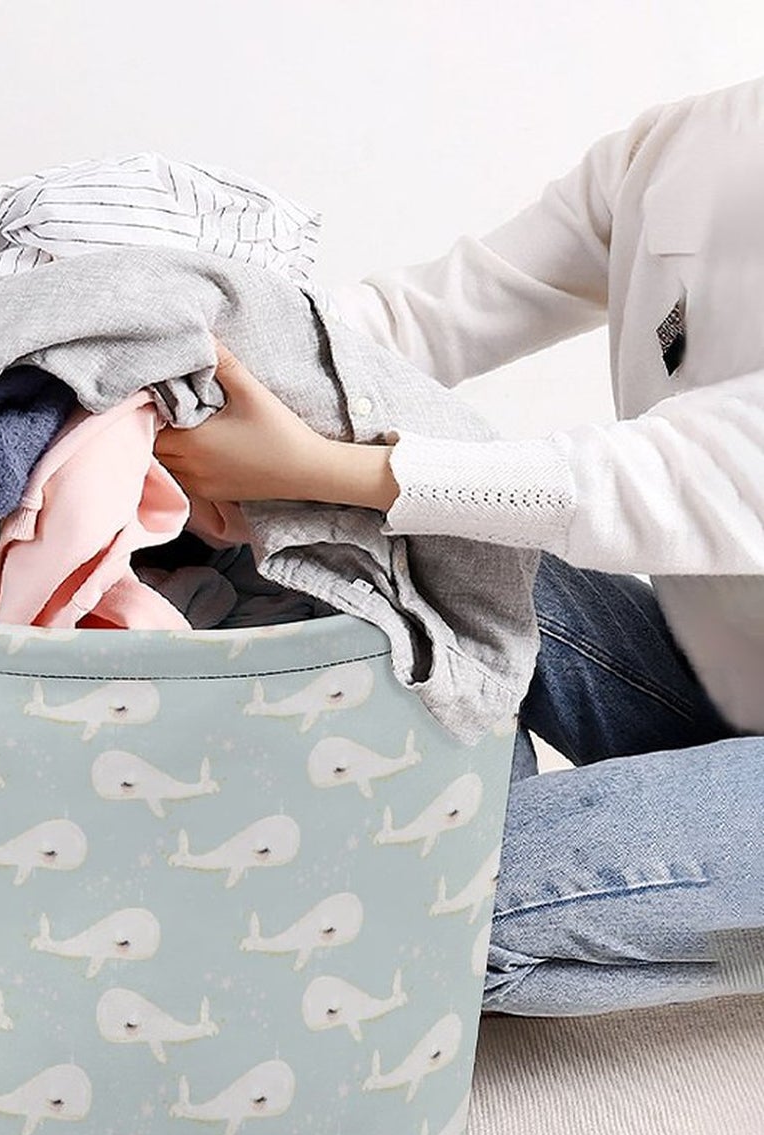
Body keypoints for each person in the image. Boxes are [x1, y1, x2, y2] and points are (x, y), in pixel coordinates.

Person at [154, 76, 764, 1016]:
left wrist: (325, 465)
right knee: (382, 548)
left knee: (417, 905)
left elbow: (672, 473)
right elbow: (424, 319)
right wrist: (180, 368)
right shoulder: (681, 146)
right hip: (724, 685)